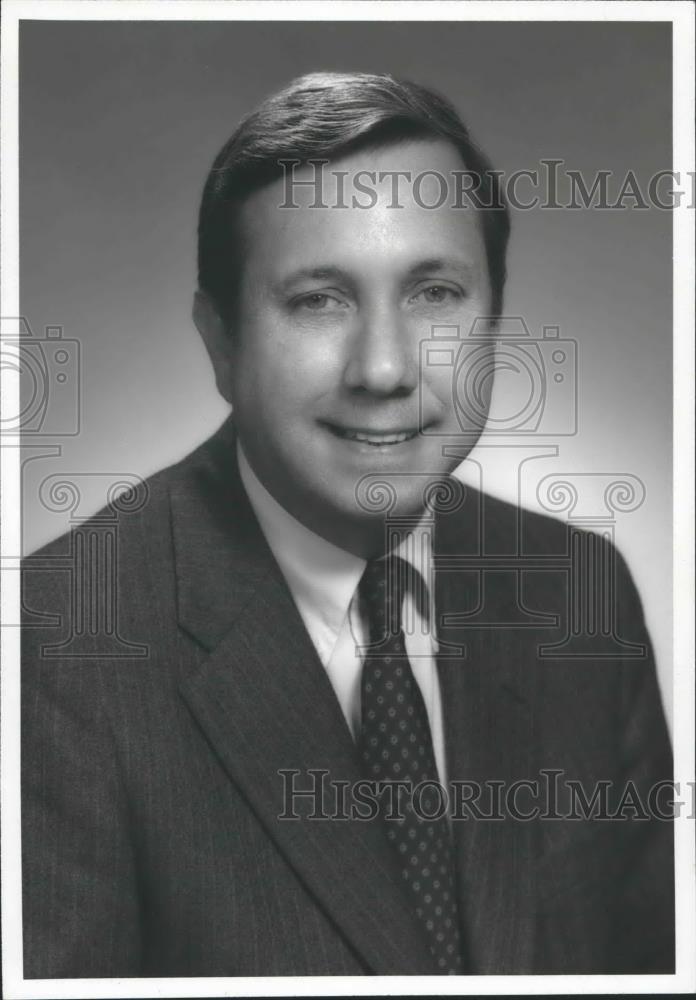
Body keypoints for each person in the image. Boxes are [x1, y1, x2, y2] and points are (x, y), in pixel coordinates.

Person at [21, 72, 673, 978]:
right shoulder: (58, 648)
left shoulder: (578, 590)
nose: (383, 367)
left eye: (435, 292)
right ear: (220, 342)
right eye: (318, 300)